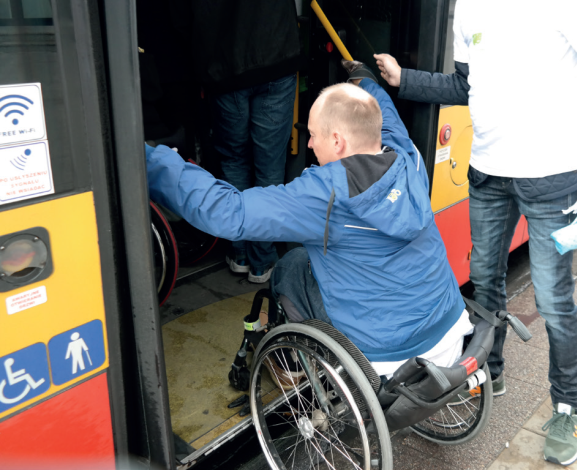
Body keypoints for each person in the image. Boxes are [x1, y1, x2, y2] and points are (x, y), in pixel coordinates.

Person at [374, 0, 577, 465]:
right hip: (488, 174)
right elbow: (465, 86)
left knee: (553, 301)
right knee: (486, 284)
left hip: (555, 178)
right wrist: (403, 79)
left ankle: (566, 406)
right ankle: (488, 373)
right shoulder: (470, 2)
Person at [145, 69, 472, 381]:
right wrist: (365, 81)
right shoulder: (407, 155)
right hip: (449, 332)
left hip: (388, 357)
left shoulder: (326, 195)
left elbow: (230, 212)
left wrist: (153, 161)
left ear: (338, 141)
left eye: (313, 135)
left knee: (288, 269)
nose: (310, 145)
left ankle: (292, 367)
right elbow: (384, 116)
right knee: (312, 260)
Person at [190, 0, 303, 283]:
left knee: (234, 161)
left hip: (224, 67)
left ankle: (239, 253)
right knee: (269, 165)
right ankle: (262, 261)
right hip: (276, 54)